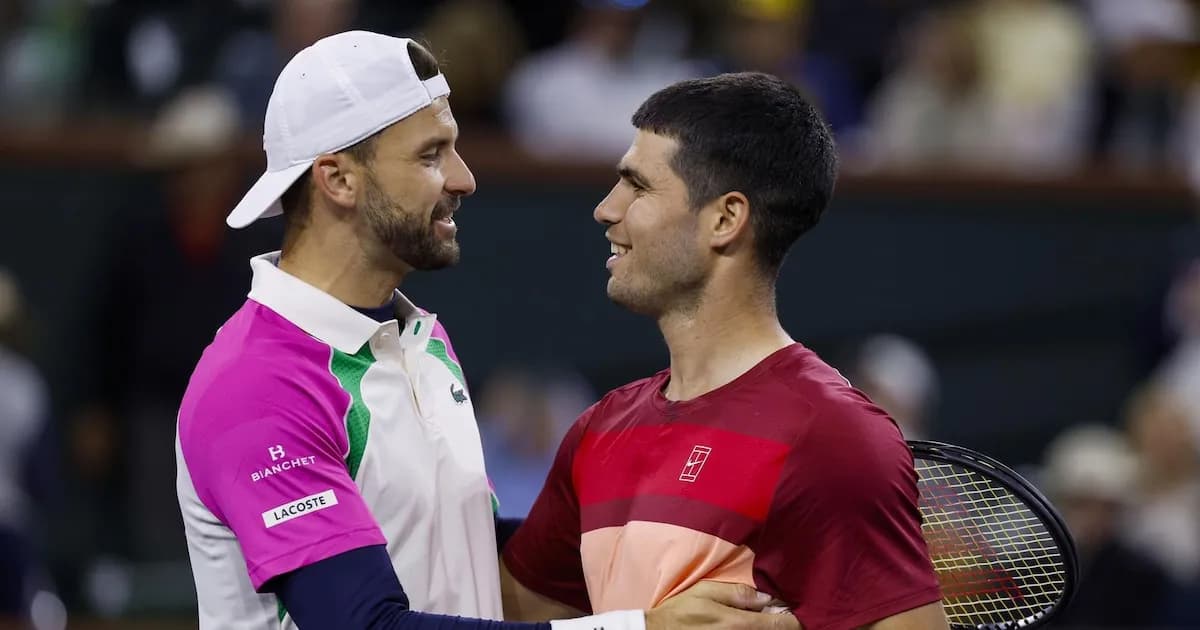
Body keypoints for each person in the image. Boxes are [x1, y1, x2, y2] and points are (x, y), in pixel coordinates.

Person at [176, 30, 796, 630]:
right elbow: (362, 625)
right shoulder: (257, 385)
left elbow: (469, 553)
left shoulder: (420, 340)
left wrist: (728, 512)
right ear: (338, 178)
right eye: (430, 155)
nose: (464, 178)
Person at [500, 72, 949, 630]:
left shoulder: (833, 436)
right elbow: (511, 619)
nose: (606, 209)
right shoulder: (599, 431)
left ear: (725, 219)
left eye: (636, 186)